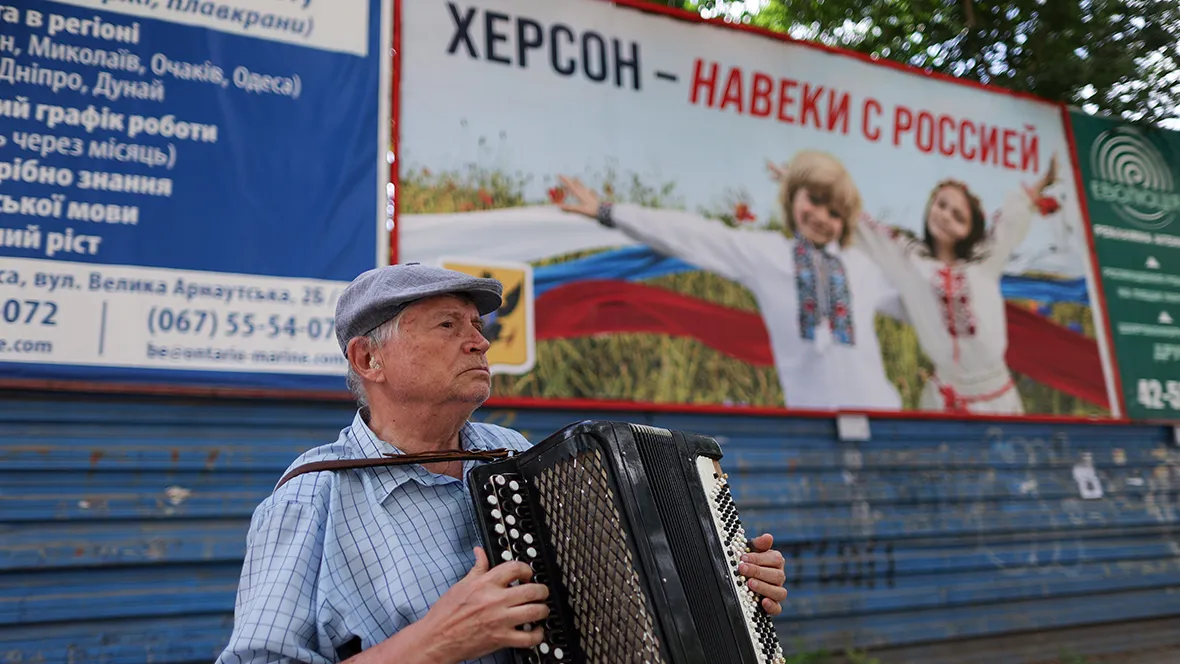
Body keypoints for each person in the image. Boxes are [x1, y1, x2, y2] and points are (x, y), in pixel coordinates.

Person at [216, 262, 789, 664]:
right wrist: (436, 641)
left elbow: (625, 595)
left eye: (477, 325)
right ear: (370, 358)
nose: (480, 342)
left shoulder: (519, 457)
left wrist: (725, 577)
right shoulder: (309, 499)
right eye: (449, 325)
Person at [558, 150, 907, 412]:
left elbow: (921, 301)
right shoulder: (768, 255)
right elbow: (694, 235)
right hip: (812, 424)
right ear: (792, 197)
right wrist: (610, 212)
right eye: (813, 201)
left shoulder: (863, 266)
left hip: (883, 418)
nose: (820, 216)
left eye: (835, 213)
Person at [851, 155, 1060, 414]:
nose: (946, 216)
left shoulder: (983, 263)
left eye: (958, 215)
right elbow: (871, 233)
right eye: (941, 205)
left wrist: (1041, 184)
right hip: (944, 399)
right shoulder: (912, 262)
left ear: (970, 229)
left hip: (995, 398)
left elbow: (1010, 220)